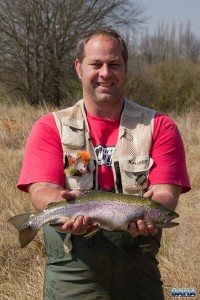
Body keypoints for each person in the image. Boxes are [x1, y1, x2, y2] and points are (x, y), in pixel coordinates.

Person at [18, 28, 191, 300]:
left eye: (114, 64)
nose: (105, 73)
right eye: (96, 64)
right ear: (79, 68)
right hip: (71, 276)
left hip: (139, 271)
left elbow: (166, 192)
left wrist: (160, 209)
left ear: (126, 68)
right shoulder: (51, 127)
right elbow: (41, 189)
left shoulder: (159, 126)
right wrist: (63, 204)